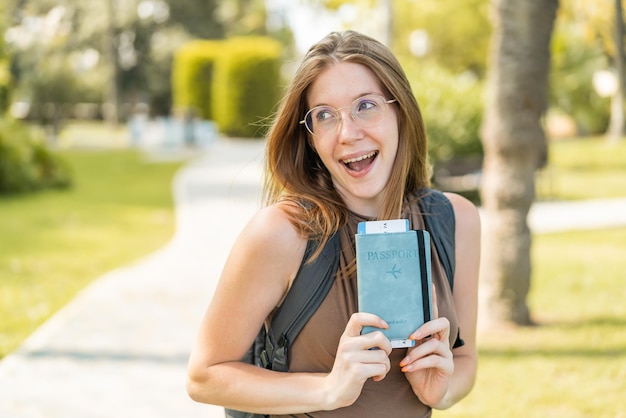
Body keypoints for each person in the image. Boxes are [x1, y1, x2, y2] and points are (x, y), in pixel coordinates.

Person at [186, 30, 480, 417]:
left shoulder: (455, 220)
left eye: (366, 106)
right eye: (324, 115)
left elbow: (465, 358)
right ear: (309, 137)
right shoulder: (282, 233)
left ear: (400, 111)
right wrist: (327, 390)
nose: (348, 133)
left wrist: (438, 392)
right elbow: (204, 376)